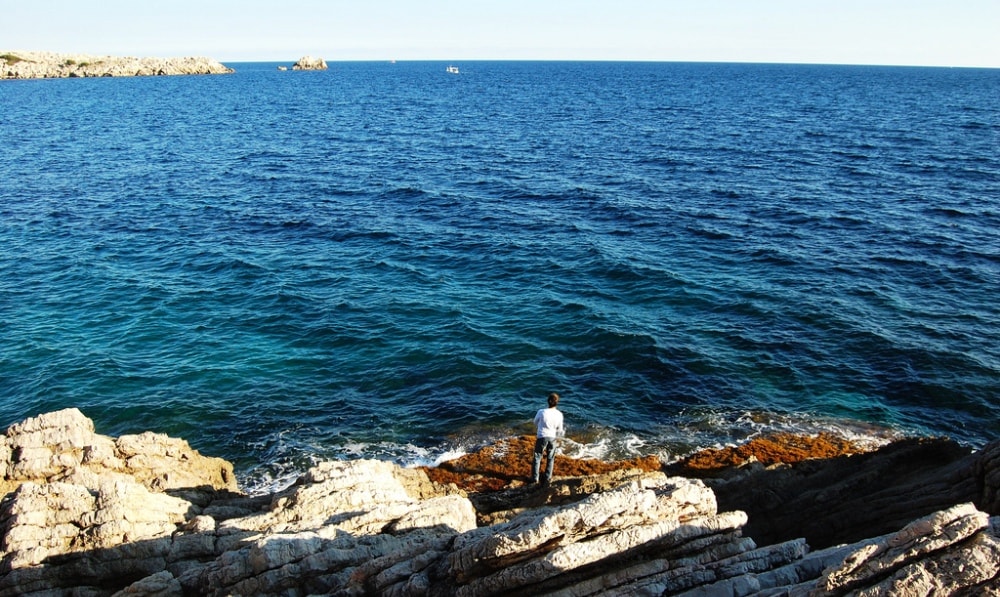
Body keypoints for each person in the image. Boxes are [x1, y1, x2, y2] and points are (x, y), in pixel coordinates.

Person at [530, 392, 564, 485]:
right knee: (550, 458)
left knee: (537, 457)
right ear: (557, 402)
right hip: (552, 437)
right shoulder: (559, 414)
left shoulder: (541, 412)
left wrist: (541, 426)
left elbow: (535, 422)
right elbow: (560, 429)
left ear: (548, 401)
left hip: (541, 436)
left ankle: (535, 479)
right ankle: (548, 478)